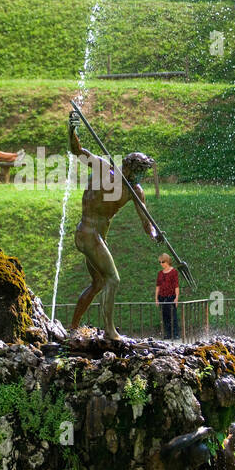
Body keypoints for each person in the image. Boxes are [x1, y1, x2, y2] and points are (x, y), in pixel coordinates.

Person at [67, 111, 160, 341]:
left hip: (98, 237)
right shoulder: (102, 169)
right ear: (127, 167)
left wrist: (156, 235)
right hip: (87, 232)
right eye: (138, 172)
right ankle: (110, 332)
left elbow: (146, 223)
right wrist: (72, 131)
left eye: (143, 173)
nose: (141, 177)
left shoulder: (135, 191)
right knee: (113, 279)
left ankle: (73, 328)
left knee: (98, 282)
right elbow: (77, 151)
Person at [155, 253, 180, 340]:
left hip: (171, 296)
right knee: (165, 316)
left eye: (163, 262)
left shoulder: (174, 272)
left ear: (168, 261)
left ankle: (175, 334)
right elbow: (158, 286)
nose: (161, 264)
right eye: (160, 262)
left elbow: (176, 285)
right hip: (162, 296)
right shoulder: (160, 273)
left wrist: (176, 297)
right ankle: (168, 333)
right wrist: (156, 298)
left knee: (173, 316)